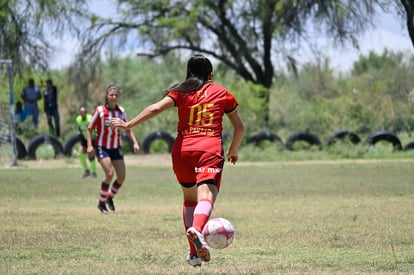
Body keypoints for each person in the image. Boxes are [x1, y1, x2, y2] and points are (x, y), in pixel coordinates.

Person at [111, 54, 244, 267]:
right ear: (210, 74)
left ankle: (193, 254)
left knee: (190, 199)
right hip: (208, 150)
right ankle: (197, 230)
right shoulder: (221, 92)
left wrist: (128, 125)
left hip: (182, 152)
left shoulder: (180, 91)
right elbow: (239, 127)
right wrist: (233, 151)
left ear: (189, 73)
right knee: (206, 195)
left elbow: (155, 108)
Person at [87, 84, 140, 214]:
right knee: (109, 174)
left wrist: (135, 142)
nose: (114, 97)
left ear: (119, 97)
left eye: (116, 95)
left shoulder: (121, 111)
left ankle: (109, 197)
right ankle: (101, 203)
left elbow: (127, 128)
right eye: (111, 95)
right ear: (106, 96)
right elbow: (89, 128)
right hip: (102, 147)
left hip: (116, 147)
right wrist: (89, 145)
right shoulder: (99, 111)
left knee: (121, 177)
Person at [76, 107, 97, 178]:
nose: (83, 114)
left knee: (91, 155)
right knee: (80, 154)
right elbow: (79, 128)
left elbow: (94, 128)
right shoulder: (78, 119)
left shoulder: (90, 118)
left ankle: (94, 173)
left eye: (84, 112)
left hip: (92, 138)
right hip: (84, 138)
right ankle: (86, 171)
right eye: (81, 112)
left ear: (86, 112)